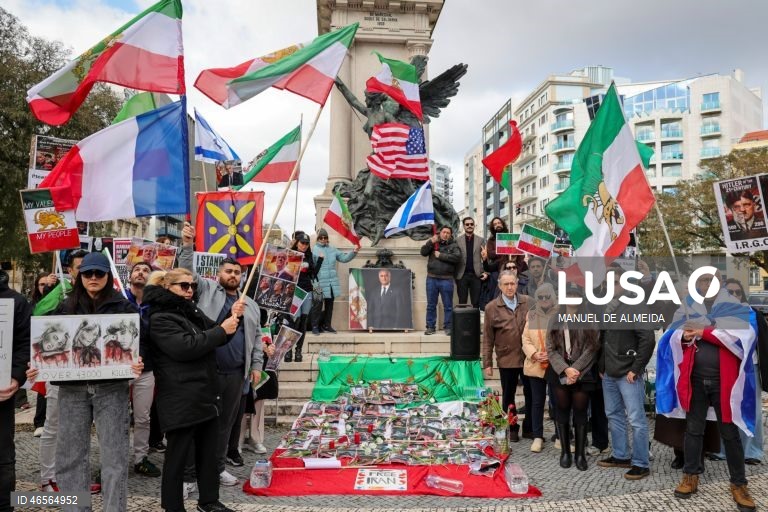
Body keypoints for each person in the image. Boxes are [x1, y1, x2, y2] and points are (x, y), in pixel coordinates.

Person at [657, 272, 757, 511]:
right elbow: (670, 334)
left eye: (711, 280)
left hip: (726, 381)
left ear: (720, 282)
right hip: (695, 379)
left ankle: (739, 483)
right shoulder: (689, 306)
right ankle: (690, 475)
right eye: (702, 281)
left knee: (729, 433)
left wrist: (705, 332)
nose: (707, 284)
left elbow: (743, 338)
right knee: (693, 430)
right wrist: (684, 334)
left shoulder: (737, 307)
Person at [51, 252, 143, 510]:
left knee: (114, 458)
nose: (93, 277)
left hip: (111, 388)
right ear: (80, 276)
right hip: (72, 389)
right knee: (70, 456)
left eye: (98, 273)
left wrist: (139, 360)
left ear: (107, 276)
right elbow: (49, 346)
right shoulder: (65, 306)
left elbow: (141, 343)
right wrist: (40, 367)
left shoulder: (124, 307)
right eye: (88, 273)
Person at [143, 269, 239, 512]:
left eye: (192, 286)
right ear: (167, 286)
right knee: (178, 457)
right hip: (180, 396)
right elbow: (184, 347)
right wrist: (221, 330)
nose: (189, 290)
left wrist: (232, 318)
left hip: (205, 393)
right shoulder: (160, 317)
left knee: (208, 454)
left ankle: (208, 501)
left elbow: (217, 335)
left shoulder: (190, 312)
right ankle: (173, 506)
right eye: (183, 286)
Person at [179, 222, 264, 488]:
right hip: (207, 369)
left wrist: (257, 365)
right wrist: (186, 245)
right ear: (219, 273)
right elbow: (187, 270)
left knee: (225, 425)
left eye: (237, 272)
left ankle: (216, 468)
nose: (233, 275)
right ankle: (190, 475)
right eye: (228, 271)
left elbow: (258, 338)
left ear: (243, 275)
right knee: (199, 423)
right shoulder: (206, 291)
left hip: (237, 373)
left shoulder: (250, 305)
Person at [596, 268, 655, 480]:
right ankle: (621, 455)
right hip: (609, 374)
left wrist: (636, 368)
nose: (612, 286)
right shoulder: (606, 306)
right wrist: (602, 366)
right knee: (613, 415)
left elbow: (647, 339)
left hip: (628, 373)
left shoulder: (636, 305)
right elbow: (603, 339)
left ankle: (640, 462)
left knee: (637, 419)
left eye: (617, 282)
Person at [546, 285, 601, 471]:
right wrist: (565, 370)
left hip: (583, 373)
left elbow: (592, 348)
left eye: (576, 296)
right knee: (561, 409)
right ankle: (565, 452)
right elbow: (551, 349)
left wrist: (575, 370)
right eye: (569, 296)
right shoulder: (555, 319)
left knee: (580, 411)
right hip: (559, 371)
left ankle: (579, 454)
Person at [482, 270, 530, 442]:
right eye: (506, 284)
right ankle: (512, 426)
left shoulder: (527, 302)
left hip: (528, 357)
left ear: (517, 284)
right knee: (508, 396)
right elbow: (488, 338)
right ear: (500, 286)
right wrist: (487, 362)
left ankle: (530, 427)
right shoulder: (492, 308)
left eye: (513, 283)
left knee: (531, 394)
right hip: (506, 358)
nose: (510, 287)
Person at [125, 261, 161, 478]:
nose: (140, 272)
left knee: (143, 417)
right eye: (136, 269)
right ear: (130, 276)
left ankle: (140, 458)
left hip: (147, 368)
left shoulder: (155, 305)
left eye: (146, 270)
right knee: (116, 417)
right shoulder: (118, 299)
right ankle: (114, 458)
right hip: (120, 368)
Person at [0, 267, 32, 511]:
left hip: (1, 391)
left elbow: (24, 343)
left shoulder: (15, 301)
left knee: (2, 453)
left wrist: (15, 377)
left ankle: (4, 505)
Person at [522, 283, 557, 453]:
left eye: (547, 296)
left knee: (557, 402)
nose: (544, 300)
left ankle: (560, 434)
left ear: (553, 297)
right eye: (541, 297)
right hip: (536, 364)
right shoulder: (532, 315)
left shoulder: (560, 313)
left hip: (555, 364)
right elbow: (525, 339)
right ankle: (537, 436)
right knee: (537, 402)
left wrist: (553, 354)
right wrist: (534, 354)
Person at [312, 228, 358, 334]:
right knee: (317, 305)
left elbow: (344, 258)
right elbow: (313, 268)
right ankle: (315, 326)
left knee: (330, 305)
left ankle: (327, 325)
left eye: (325, 237)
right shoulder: (314, 249)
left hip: (332, 282)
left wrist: (353, 252)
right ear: (318, 238)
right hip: (319, 282)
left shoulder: (333, 249)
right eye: (321, 237)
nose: (323, 239)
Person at [285, 232, 320, 362]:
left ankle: (298, 351)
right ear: (297, 243)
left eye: (306, 243)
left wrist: (320, 261)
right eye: (302, 243)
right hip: (294, 291)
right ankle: (288, 350)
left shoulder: (309, 256)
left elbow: (313, 274)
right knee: (294, 321)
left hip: (307, 291)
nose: (304, 246)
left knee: (303, 322)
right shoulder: (290, 254)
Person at [420, 226, 461, 335]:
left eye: (448, 232)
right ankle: (430, 327)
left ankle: (448, 327)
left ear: (450, 235)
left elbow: (457, 258)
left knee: (448, 305)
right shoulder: (434, 243)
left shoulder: (454, 245)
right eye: (444, 232)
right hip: (431, 278)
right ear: (440, 233)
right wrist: (430, 242)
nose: (446, 234)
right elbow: (423, 252)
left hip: (446, 279)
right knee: (431, 305)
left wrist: (441, 255)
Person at [455, 217, 487, 308]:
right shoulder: (457, 240)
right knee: (462, 301)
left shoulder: (481, 240)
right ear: (464, 226)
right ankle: (463, 322)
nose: (469, 226)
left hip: (476, 275)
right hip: (462, 275)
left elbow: (484, 258)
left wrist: (485, 271)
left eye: (471, 224)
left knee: (476, 302)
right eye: (467, 224)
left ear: (474, 226)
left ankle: (475, 322)